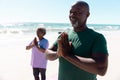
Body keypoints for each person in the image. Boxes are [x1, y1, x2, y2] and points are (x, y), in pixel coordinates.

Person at [45, 1, 109, 80]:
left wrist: (67, 55)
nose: (72, 15)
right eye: (71, 12)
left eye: (78, 12)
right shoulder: (65, 34)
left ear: (87, 15)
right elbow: (47, 54)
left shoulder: (97, 38)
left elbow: (101, 69)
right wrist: (58, 53)